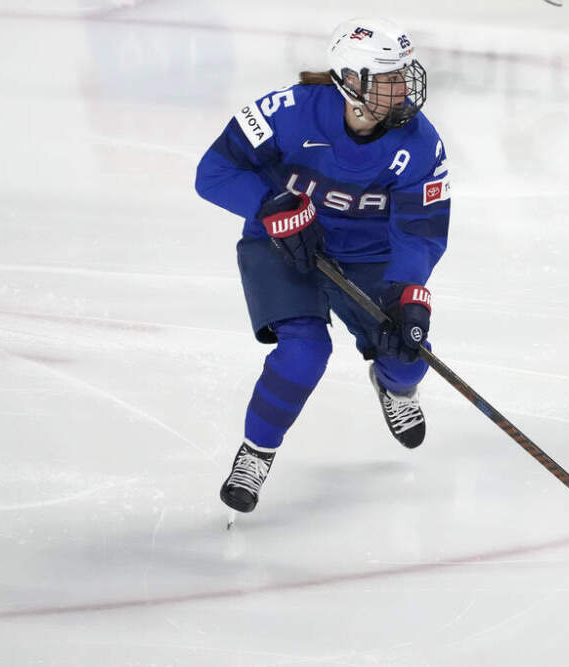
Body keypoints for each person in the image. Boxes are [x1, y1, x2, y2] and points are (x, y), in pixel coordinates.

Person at [195, 18, 450, 515]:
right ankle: (256, 453)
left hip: (368, 257)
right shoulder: (286, 113)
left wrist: (408, 295)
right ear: (351, 81)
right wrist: (270, 205)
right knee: (305, 351)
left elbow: (419, 230)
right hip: (282, 246)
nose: (404, 88)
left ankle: (393, 386)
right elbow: (213, 173)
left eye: (404, 73)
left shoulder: (421, 143)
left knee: (409, 352)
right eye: (389, 77)